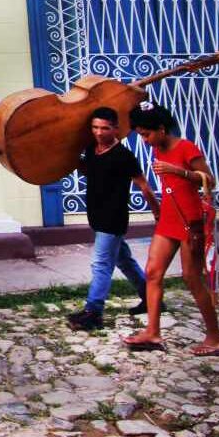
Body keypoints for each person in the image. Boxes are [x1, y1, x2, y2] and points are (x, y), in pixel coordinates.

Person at [122, 101, 219, 356]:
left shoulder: (186, 148)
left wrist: (179, 171)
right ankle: (153, 332)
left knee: (192, 278)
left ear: (161, 128)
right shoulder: (157, 149)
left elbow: (209, 181)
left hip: (190, 220)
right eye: (141, 135)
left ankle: (215, 337)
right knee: (152, 271)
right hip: (169, 217)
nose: (145, 140)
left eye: (147, 134)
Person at [67, 106, 159, 331]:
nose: (99, 132)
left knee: (101, 264)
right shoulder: (91, 149)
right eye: (95, 127)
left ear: (116, 129)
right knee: (124, 260)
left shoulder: (123, 156)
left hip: (113, 218)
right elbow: (91, 171)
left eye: (105, 128)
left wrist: (158, 212)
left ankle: (93, 312)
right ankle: (152, 299)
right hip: (96, 215)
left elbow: (143, 185)